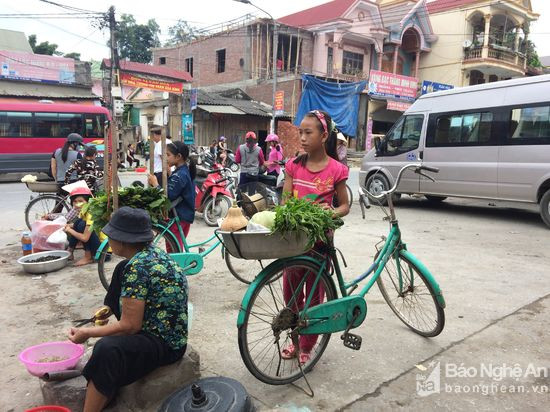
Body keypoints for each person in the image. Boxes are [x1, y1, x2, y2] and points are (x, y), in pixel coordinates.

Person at [68, 207, 188, 412]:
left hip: (166, 343)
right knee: (119, 269)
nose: (109, 239)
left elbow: (130, 326)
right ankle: (105, 389)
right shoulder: (148, 255)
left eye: (112, 235)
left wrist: (88, 333)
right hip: (158, 329)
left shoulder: (138, 269)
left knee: (106, 350)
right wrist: (106, 311)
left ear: (123, 240)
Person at [280, 110, 349, 365]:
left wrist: (331, 211)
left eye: (309, 132)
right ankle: (294, 340)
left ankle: (308, 344)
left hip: (320, 244)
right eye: (301, 132)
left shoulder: (336, 169)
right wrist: (287, 211)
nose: (303, 137)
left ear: (324, 136)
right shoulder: (294, 165)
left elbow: (345, 206)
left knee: (314, 298)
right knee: (291, 296)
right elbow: (286, 201)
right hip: (294, 243)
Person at [148, 141, 196, 250]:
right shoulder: (182, 171)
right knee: (175, 247)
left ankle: (178, 267)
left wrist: (155, 184)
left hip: (179, 216)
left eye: (168, 155)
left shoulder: (180, 175)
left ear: (178, 157)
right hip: (184, 215)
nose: (165, 158)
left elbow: (168, 196)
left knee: (174, 250)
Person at [63, 187, 101, 266]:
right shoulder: (83, 211)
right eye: (75, 201)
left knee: (81, 225)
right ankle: (70, 250)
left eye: (81, 201)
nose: (77, 204)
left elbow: (85, 238)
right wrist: (68, 226)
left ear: (87, 202)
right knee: (78, 223)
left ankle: (88, 257)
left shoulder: (91, 214)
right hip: (96, 246)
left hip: (103, 252)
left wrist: (70, 230)